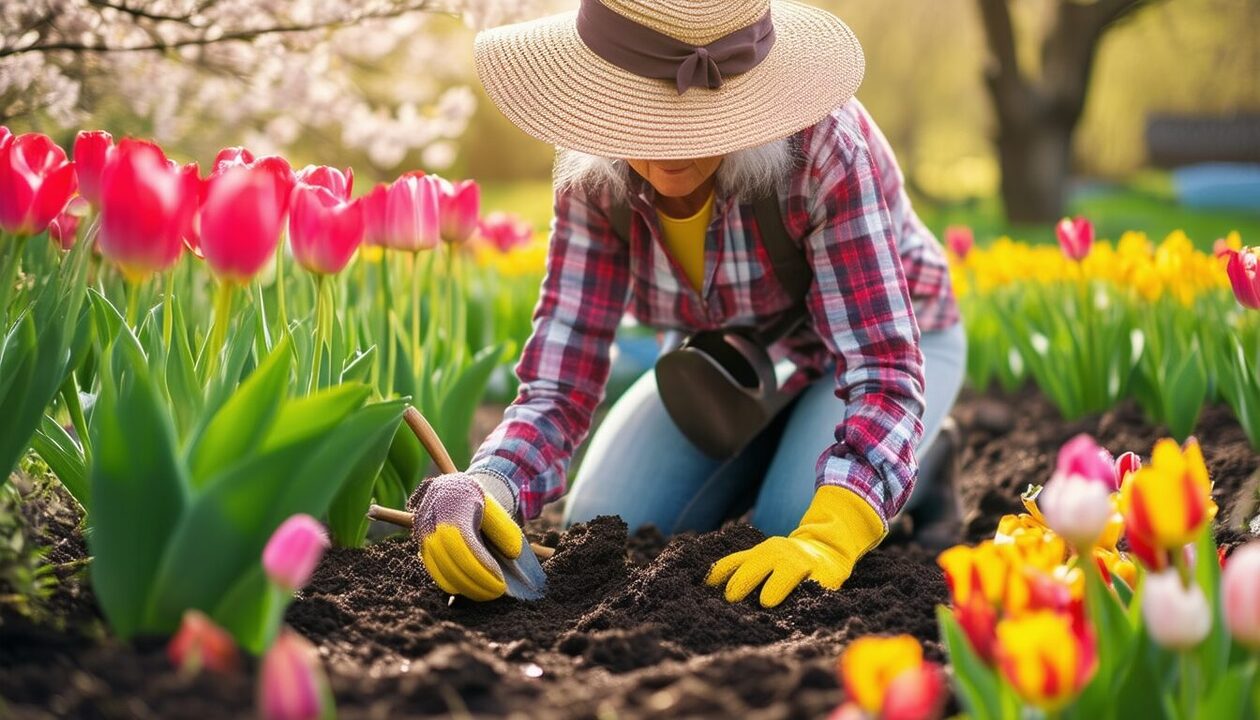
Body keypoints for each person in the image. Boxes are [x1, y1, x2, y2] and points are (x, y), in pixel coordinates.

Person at [408, 0, 965, 608]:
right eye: (640, 116)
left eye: (697, 122)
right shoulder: (594, 173)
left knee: (791, 521)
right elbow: (561, 378)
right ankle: (791, 446)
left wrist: (829, 534)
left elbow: (884, 370)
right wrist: (492, 482)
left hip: (890, 344)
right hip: (731, 361)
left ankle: (924, 453)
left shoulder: (822, 147)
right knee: (604, 520)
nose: (668, 147)